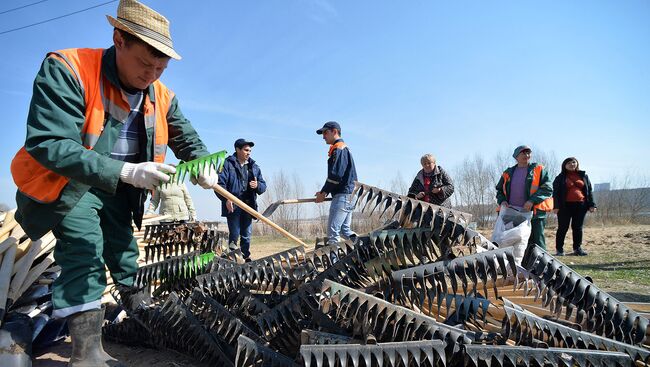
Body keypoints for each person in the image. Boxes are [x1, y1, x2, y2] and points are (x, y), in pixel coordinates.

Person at [9, 1, 219, 365]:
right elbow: (48, 142)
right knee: (84, 251)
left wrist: (201, 163)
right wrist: (124, 171)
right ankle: (87, 353)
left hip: (121, 192)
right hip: (70, 184)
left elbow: (187, 138)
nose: (152, 74)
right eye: (145, 64)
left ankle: (143, 317)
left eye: (160, 67)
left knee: (123, 252)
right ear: (119, 39)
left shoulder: (162, 95)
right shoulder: (69, 68)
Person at [217, 139, 267, 262]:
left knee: (246, 235)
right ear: (237, 149)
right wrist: (226, 199)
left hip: (248, 205)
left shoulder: (254, 167)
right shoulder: (227, 164)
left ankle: (245, 256)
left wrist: (257, 186)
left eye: (250, 150)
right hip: (233, 206)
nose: (248, 153)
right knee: (234, 234)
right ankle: (233, 258)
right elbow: (219, 185)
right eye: (246, 150)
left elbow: (263, 185)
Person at [495, 145, 553, 250]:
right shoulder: (507, 173)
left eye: (528, 153)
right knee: (515, 241)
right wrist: (502, 201)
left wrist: (532, 201)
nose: (526, 155)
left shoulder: (538, 169)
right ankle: (518, 264)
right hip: (512, 213)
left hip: (534, 213)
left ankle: (540, 264)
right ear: (516, 156)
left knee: (536, 241)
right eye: (523, 153)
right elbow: (499, 190)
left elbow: (547, 188)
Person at [315, 121, 358, 245]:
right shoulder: (343, 148)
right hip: (350, 194)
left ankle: (334, 264)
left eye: (325, 132)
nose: (323, 136)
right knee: (345, 230)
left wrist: (323, 192)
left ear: (334, 131)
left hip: (343, 196)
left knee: (333, 233)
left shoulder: (339, 148)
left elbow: (336, 175)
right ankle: (364, 250)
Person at [553, 157, 596, 256]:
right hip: (565, 206)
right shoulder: (560, 178)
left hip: (581, 205)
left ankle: (577, 249)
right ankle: (559, 250)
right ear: (564, 165)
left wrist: (592, 205)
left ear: (577, 163)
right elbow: (555, 193)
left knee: (578, 227)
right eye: (569, 163)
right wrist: (556, 206)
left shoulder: (584, 176)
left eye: (574, 162)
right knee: (563, 227)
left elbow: (589, 191)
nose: (572, 164)